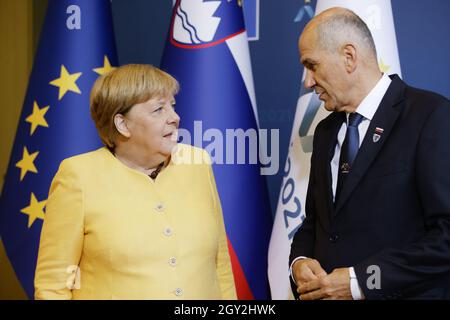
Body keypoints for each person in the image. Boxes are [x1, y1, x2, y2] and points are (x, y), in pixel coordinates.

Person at [34, 64, 237, 300]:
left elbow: (219, 264)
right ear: (122, 124)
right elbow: (54, 285)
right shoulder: (78, 176)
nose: (175, 117)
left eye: (172, 106)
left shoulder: (197, 163)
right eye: (158, 109)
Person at [289, 7, 450, 300]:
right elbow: (315, 224)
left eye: (312, 65)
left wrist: (361, 281)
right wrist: (298, 262)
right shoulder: (325, 132)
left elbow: (445, 238)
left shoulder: (430, 116)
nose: (308, 82)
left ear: (349, 57)